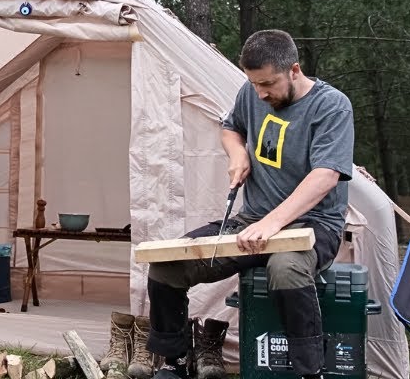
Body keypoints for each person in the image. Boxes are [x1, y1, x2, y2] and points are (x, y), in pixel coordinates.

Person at [146, 30, 354, 379]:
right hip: (252, 220)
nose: (261, 93)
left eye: (268, 84)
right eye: (255, 84)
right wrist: (238, 152)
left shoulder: (331, 105)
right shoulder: (252, 91)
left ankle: (309, 371)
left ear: (294, 70)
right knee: (167, 265)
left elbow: (326, 176)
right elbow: (231, 128)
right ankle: (175, 362)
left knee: (285, 269)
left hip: (314, 225)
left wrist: (273, 223)